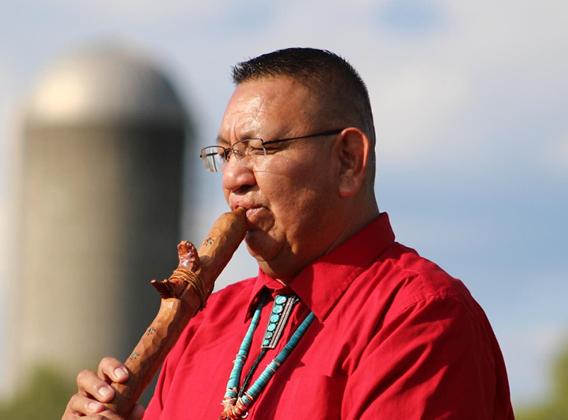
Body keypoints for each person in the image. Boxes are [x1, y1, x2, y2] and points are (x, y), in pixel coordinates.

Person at [63, 48, 514, 419]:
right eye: (224, 153)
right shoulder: (207, 321)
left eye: (258, 148)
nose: (234, 177)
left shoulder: (418, 317)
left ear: (348, 160)